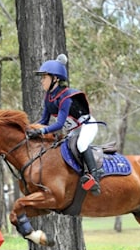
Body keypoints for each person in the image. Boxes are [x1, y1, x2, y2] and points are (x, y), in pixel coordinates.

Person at [28, 54, 102, 195]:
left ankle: (95, 176)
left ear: (55, 79)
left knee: (81, 145)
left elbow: (60, 124)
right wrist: (30, 128)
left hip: (87, 125)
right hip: (73, 130)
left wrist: (41, 132)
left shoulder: (66, 97)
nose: (41, 81)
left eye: (44, 77)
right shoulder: (49, 97)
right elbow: (43, 121)